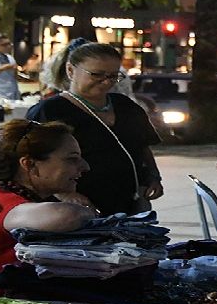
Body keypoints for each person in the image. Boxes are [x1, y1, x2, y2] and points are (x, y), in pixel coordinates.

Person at [26, 39, 163, 216]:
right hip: (76, 209)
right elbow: (28, 160)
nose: (106, 82)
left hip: (129, 205)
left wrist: (153, 176)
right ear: (70, 70)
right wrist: (63, 193)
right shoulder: (49, 111)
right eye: (96, 75)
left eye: (113, 76)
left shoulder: (127, 107)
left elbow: (142, 146)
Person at [0, 119, 97, 279]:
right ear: (29, 164)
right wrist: (93, 216)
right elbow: (66, 216)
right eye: (72, 159)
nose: (85, 166)